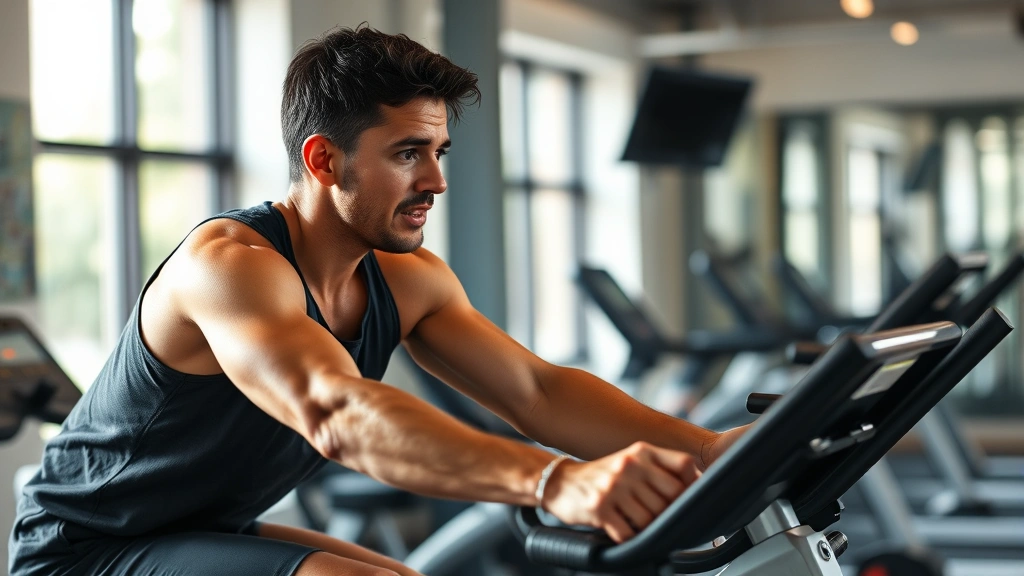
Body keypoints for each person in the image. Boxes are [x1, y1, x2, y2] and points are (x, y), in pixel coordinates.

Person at [9, 26, 747, 576]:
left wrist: (714, 453)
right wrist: (554, 480)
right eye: (406, 154)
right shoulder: (230, 268)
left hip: (201, 527)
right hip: (82, 552)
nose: (436, 181)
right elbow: (337, 414)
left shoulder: (405, 279)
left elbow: (535, 390)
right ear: (324, 159)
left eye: (438, 152)